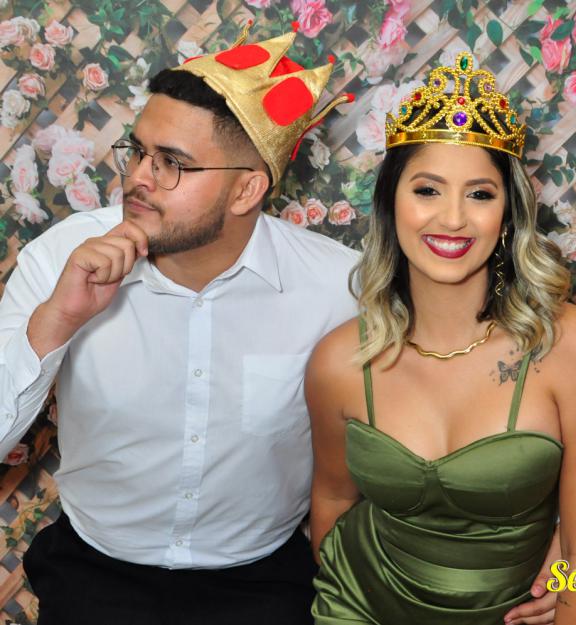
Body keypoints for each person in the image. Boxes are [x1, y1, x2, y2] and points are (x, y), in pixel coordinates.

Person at [0, 25, 358, 625]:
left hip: (264, 584)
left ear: (247, 189)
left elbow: (427, 451)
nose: (139, 177)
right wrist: (57, 319)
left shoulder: (340, 288)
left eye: (173, 163)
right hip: (93, 575)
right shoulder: (61, 256)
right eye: (138, 152)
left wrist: (542, 569)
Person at [307, 53, 576, 625]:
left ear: (508, 215)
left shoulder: (568, 346)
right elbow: (332, 501)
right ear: (391, 203)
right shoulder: (339, 360)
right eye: (427, 190)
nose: (452, 218)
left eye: (479, 194)